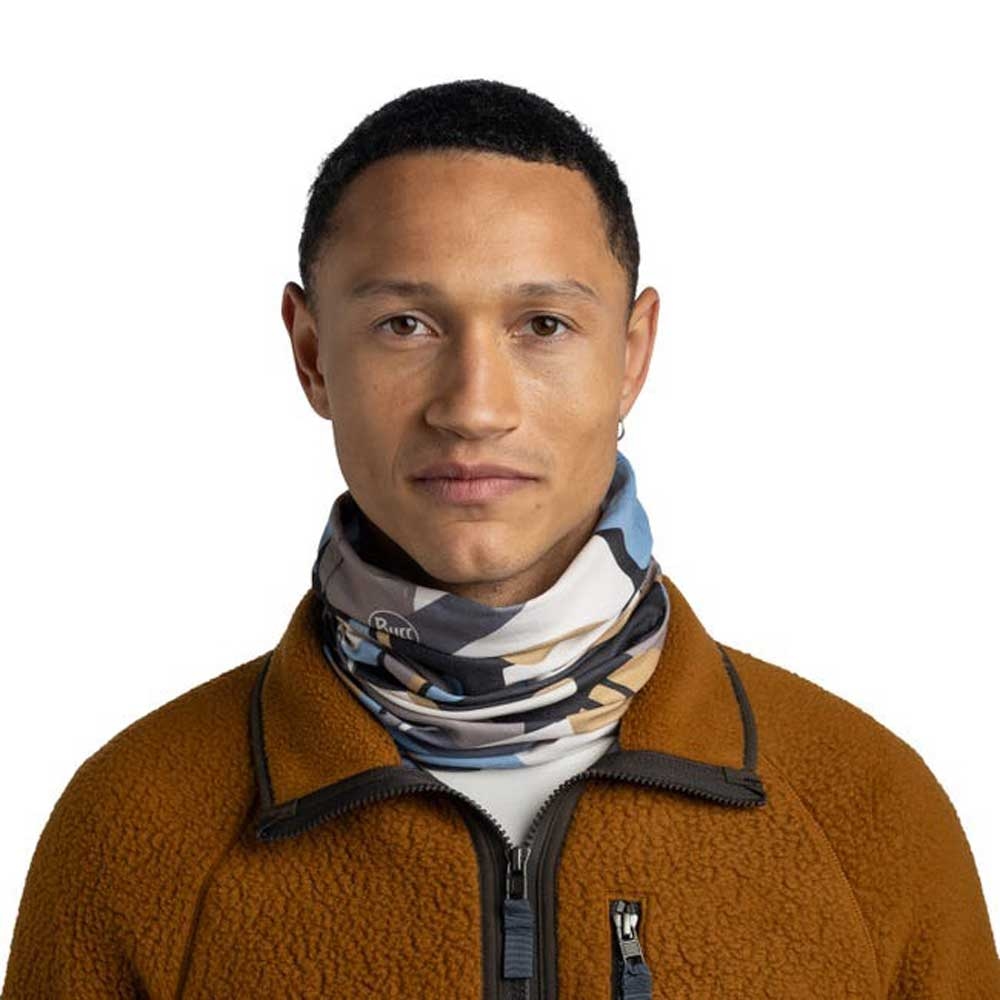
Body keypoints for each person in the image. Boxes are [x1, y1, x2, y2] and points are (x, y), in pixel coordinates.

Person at [3, 78, 997, 1000]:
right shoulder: (132, 825)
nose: (474, 407)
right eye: (405, 324)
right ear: (311, 353)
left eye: (543, 325)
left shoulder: (866, 807)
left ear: (631, 354)